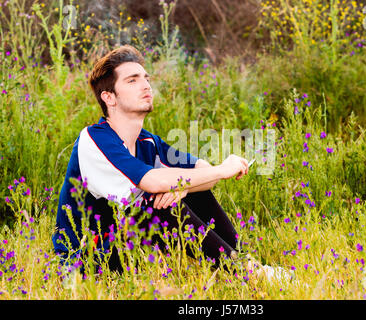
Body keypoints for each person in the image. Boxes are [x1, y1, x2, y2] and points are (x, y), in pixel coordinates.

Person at [52, 45, 250, 273]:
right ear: (109, 97)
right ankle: (246, 271)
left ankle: (246, 262)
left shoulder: (147, 141)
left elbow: (203, 171)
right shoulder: (94, 138)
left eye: (146, 78)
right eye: (132, 80)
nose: (146, 85)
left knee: (190, 188)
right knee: (154, 202)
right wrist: (223, 169)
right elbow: (151, 181)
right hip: (89, 260)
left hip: (132, 251)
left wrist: (183, 188)